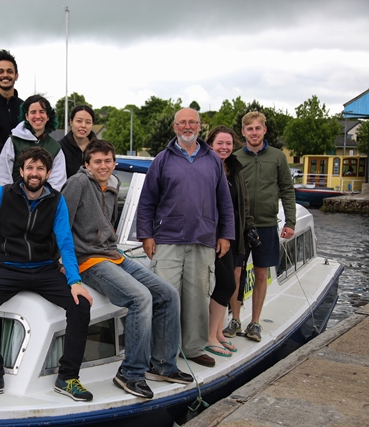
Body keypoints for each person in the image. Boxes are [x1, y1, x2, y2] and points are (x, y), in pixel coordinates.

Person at [0, 146, 94, 402]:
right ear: (21, 171)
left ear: (48, 173)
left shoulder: (56, 201)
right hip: (9, 268)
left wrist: (74, 281)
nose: (34, 173)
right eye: (30, 167)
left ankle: (68, 377)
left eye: (40, 168)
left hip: (44, 269)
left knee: (80, 304)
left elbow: (65, 243)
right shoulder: (2, 194)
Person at [62, 139, 192, 399]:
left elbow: (108, 225)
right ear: (86, 164)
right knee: (140, 297)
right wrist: (63, 265)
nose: (103, 166)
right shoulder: (77, 183)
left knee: (167, 294)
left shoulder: (113, 184)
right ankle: (130, 373)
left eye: (107, 161)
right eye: (97, 161)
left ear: (114, 163)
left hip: (113, 254)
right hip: (88, 259)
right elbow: (60, 221)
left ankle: (162, 365)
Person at [136, 108, 235, 368]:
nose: (187, 126)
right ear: (174, 127)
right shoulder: (162, 160)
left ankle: (192, 348)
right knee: (166, 298)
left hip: (203, 240)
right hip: (167, 240)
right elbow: (146, 201)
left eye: (192, 122)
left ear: (200, 126)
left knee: (197, 298)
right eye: (183, 123)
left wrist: (225, 234)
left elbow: (224, 201)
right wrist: (146, 235)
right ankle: (162, 352)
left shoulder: (212, 159)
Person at [225, 111, 296, 342]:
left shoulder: (277, 157)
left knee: (261, 273)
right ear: (243, 132)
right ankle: (235, 319)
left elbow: (287, 190)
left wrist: (290, 222)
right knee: (236, 273)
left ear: (264, 130)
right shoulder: (234, 159)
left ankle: (255, 323)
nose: (253, 133)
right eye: (249, 129)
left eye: (258, 128)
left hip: (266, 224)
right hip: (239, 225)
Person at [205, 126, 256, 356]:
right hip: (214, 237)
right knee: (223, 284)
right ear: (210, 145)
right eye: (219, 144)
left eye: (228, 144)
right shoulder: (205, 167)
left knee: (230, 285)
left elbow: (241, 203)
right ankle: (209, 335)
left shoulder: (234, 168)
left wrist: (249, 226)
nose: (224, 147)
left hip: (234, 235)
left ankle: (217, 332)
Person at [0, 95, 67, 190]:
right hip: (13, 200)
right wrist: (10, 199)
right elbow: (3, 176)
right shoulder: (13, 141)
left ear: (48, 116)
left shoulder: (55, 147)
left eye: (42, 112)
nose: (37, 116)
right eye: (33, 112)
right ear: (26, 116)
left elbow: (57, 182)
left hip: (44, 202)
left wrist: (44, 201)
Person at [59, 105, 98, 178]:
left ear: (92, 124)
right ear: (71, 122)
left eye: (88, 122)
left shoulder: (99, 149)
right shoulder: (59, 148)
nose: (83, 125)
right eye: (79, 121)